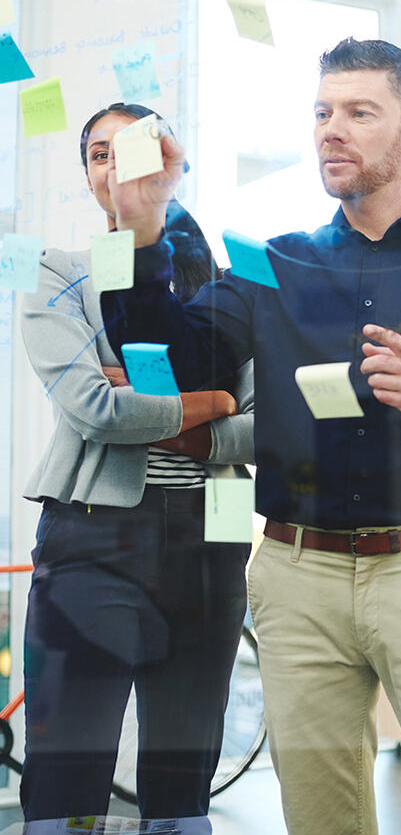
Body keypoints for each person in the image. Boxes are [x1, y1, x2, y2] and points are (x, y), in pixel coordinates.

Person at [98, 38, 401, 835]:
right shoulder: (270, 263)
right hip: (294, 579)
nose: (330, 130)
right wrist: (140, 222)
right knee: (318, 819)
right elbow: (167, 367)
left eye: (359, 112)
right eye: (321, 113)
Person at [20, 103, 253, 828]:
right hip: (93, 538)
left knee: (184, 786)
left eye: (133, 150)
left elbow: (269, 426)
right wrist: (213, 398)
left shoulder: (230, 284)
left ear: (171, 165)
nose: (115, 167)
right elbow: (96, 408)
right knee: (65, 780)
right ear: (89, 176)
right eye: (98, 153)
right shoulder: (57, 274)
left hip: (212, 541)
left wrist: (201, 425)